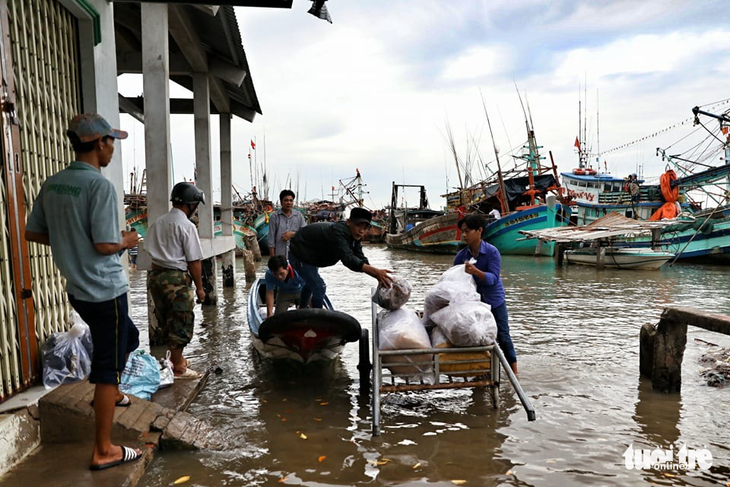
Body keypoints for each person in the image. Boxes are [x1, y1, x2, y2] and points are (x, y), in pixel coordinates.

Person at [25, 113, 143, 470]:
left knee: (129, 338)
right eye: (111, 143)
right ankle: (104, 448)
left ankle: (112, 392)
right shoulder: (100, 186)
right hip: (105, 289)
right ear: (99, 143)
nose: (112, 150)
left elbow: (34, 232)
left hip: (77, 289)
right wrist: (129, 239)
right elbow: (107, 244)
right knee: (107, 367)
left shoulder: (55, 183)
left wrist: (69, 241)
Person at [145, 182, 206, 380]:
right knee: (181, 320)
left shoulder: (157, 223)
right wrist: (200, 288)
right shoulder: (186, 226)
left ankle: (175, 359)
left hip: (155, 277)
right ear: (191, 205)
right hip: (176, 279)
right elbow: (194, 261)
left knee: (165, 320)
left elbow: (148, 251)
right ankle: (179, 367)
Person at [289, 207, 393, 308]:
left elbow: (359, 256)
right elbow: (348, 259)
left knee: (310, 283)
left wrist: (375, 274)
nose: (361, 231)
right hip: (300, 252)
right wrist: (374, 271)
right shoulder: (337, 232)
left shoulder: (354, 235)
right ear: (349, 222)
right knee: (319, 287)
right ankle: (317, 321)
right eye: (358, 225)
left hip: (312, 255)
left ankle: (302, 309)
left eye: (365, 228)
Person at [453, 213, 518, 375]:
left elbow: (492, 279)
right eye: (463, 231)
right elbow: (454, 281)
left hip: (494, 301)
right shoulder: (461, 257)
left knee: (503, 337)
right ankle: (484, 372)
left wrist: (475, 271)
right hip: (474, 305)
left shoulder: (492, 252)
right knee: (477, 337)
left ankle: (515, 374)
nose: (464, 235)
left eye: (468, 231)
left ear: (479, 230)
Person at [268, 189, 306, 258]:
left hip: (296, 256)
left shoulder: (299, 216)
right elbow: (271, 241)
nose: (289, 203)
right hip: (280, 256)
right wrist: (272, 259)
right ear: (281, 202)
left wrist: (292, 234)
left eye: (291, 200)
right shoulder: (275, 217)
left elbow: (305, 233)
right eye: (286, 200)